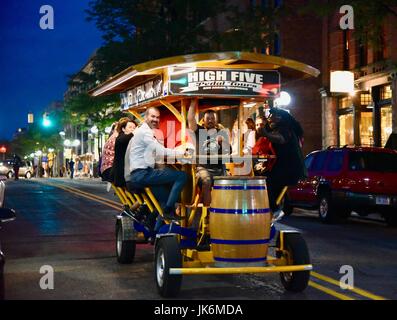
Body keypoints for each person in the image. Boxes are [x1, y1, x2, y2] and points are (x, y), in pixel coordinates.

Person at [125, 107, 188, 221]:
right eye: (152, 116)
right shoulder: (145, 133)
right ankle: (169, 210)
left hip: (140, 175)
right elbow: (161, 151)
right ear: (146, 117)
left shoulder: (145, 131)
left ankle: (154, 230)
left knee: (164, 197)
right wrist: (181, 152)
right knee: (182, 175)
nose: (155, 119)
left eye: (157, 117)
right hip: (142, 175)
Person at [256, 107, 306, 212]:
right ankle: (272, 208)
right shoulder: (277, 129)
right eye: (269, 117)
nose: (269, 119)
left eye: (272, 117)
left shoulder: (285, 129)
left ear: (279, 119)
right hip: (282, 168)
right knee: (265, 179)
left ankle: (273, 209)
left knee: (266, 181)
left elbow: (280, 138)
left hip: (290, 170)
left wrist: (266, 133)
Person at [187, 100, 231, 207]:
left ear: (216, 120)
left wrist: (223, 141)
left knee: (229, 183)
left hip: (219, 169)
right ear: (204, 120)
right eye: (208, 118)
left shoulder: (222, 132)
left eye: (213, 118)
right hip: (202, 168)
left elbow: (229, 151)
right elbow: (190, 119)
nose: (210, 120)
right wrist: (193, 102)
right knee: (206, 181)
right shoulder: (200, 130)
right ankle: (207, 213)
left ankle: (224, 210)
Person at [112, 118, 137, 187]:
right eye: (130, 127)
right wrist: (135, 132)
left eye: (134, 127)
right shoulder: (121, 138)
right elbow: (123, 140)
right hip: (121, 175)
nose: (133, 129)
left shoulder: (131, 139)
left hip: (127, 173)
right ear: (123, 129)